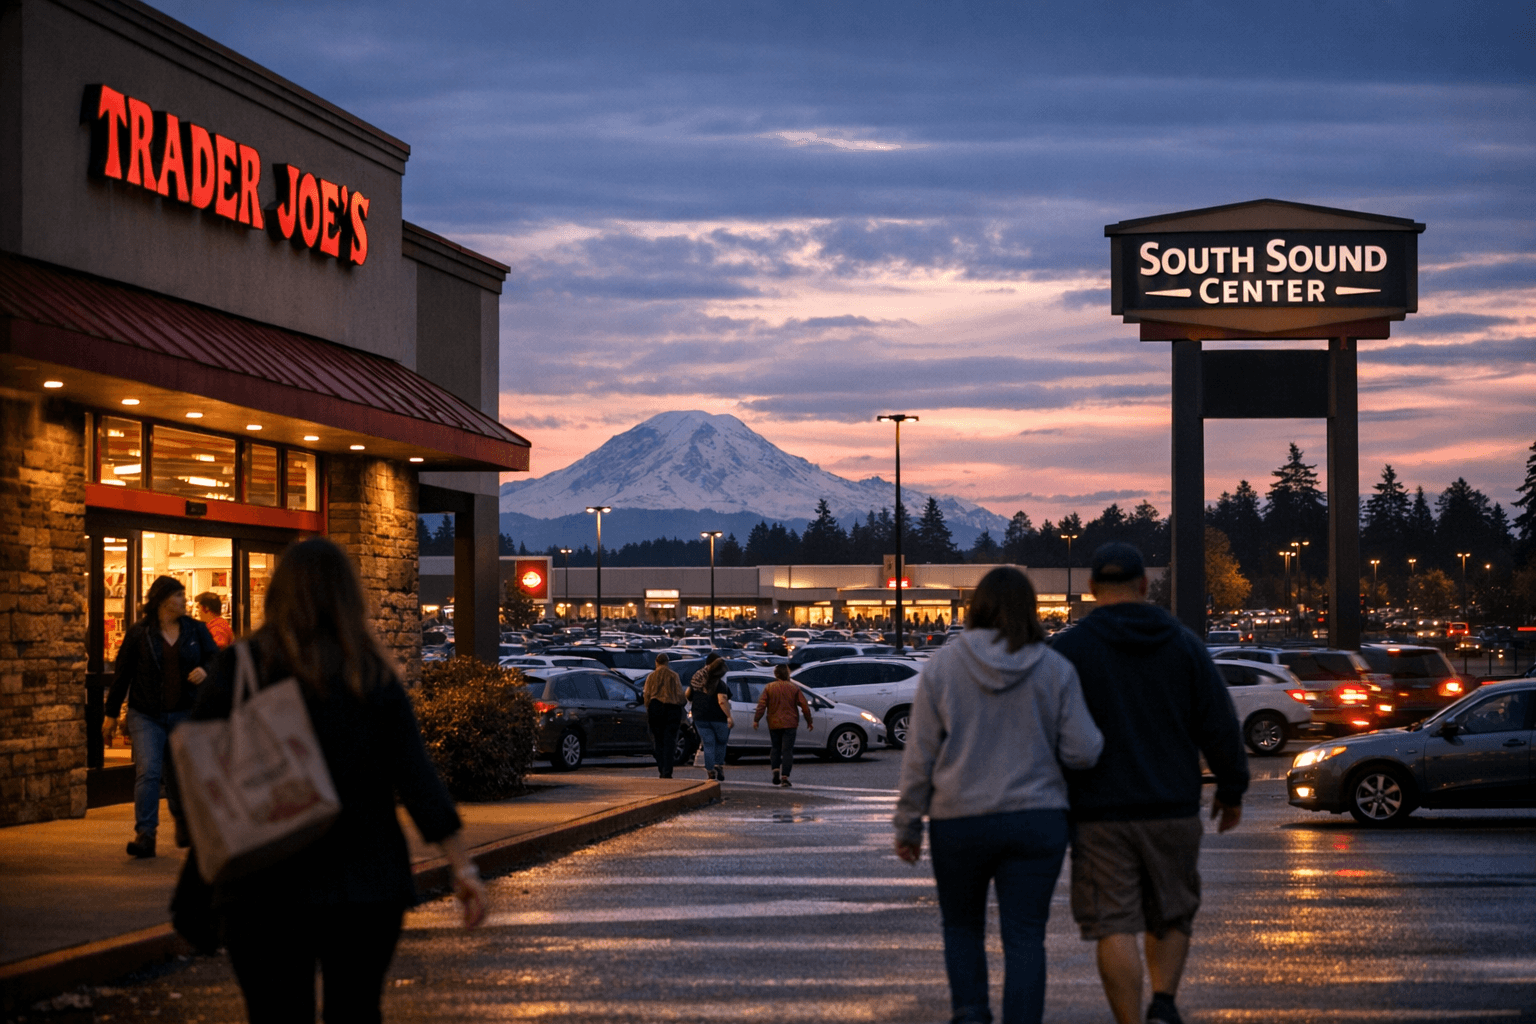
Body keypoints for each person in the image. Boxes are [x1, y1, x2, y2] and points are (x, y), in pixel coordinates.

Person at [189, 538, 489, 1024]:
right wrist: (462, 867)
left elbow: (196, 763)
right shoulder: (368, 673)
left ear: (278, 594)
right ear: (349, 597)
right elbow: (415, 775)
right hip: (364, 878)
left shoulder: (242, 668)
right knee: (356, 1008)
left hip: (263, 879)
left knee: (275, 1014)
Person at [1050, 543, 1249, 1024]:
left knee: (1112, 922)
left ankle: (1130, 1020)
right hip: (1172, 805)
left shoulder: (1069, 651)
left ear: (1092, 588)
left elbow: (1045, 730)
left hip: (1098, 811)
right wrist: (1231, 788)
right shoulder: (1184, 645)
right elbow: (1219, 722)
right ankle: (1163, 1004)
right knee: (1172, 911)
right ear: (1143, 585)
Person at [894, 566, 1103, 1024]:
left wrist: (908, 823)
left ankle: (971, 1014)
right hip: (1037, 817)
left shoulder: (944, 665)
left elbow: (920, 753)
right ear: (1031, 609)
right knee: (1025, 936)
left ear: (977, 607)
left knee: (962, 927)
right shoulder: (1054, 668)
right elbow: (1084, 750)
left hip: (959, 819)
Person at [102, 576, 219, 858]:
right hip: (146, 714)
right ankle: (146, 834)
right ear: (163, 599)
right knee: (149, 771)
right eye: (178, 595)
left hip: (184, 712)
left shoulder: (195, 630)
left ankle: (183, 822)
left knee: (180, 774)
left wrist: (205, 669)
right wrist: (111, 714)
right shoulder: (139, 633)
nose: (184, 600)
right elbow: (123, 674)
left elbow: (216, 658)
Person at [752, 664, 814, 787]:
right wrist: (809, 721)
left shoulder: (769, 687)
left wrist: (756, 719)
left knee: (775, 747)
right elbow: (804, 706)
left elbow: (761, 705)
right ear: (787, 673)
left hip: (774, 723)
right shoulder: (794, 688)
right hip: (790, 723)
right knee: (787, 750)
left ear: (776, 674)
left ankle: (775, 770)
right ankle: (785, 777)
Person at [687, 653, 733, 781]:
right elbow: (722, 700)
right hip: (718, 718)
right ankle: (718, 764)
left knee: (708, 744)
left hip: (700, 717)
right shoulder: (720, 684)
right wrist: (729, 716)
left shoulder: (697, 680)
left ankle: (710, 770)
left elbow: (688, 694)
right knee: (721, 742)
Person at [642, 652, 685, 778]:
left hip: (656, 708)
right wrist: (681, 703)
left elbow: (647, 695)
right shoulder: (674, 676)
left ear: (656, 662)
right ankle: (667, 770)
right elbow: (680, 694)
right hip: (672, 709)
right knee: (670, 741)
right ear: (667, 662)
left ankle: (661, 767)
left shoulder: (651, 676)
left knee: (658, 740)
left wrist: (649, 707)